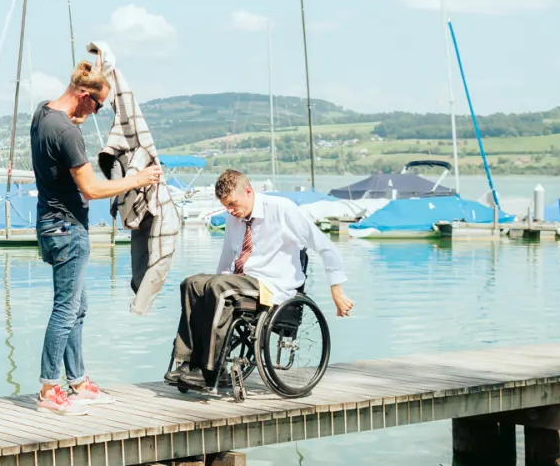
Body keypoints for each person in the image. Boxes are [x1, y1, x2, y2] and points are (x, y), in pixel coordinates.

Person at [30, 61, 163, 414]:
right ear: (83, 96)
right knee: (65, 308)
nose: (98, 112)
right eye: (98, 105)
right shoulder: (68, 133)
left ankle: (77, 382)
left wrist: (94, 70)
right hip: (68, 229)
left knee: (78, 306)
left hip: (47, 223)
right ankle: (48, 389)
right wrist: (139, 179)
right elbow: (90, 189)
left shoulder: (42, 112)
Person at [167, 170, 353, 393]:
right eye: (226, 206)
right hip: (242, 282)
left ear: (248, 192)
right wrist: (208, 288)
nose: (230, 210)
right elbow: (225, 263)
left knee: (219, 288)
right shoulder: (234, 218)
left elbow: (325, 246)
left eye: (233, 204)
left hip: (273, 285)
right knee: (192, 283)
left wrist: (337, 289)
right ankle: (186, 361)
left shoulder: (282, 210)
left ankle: (208, 368)